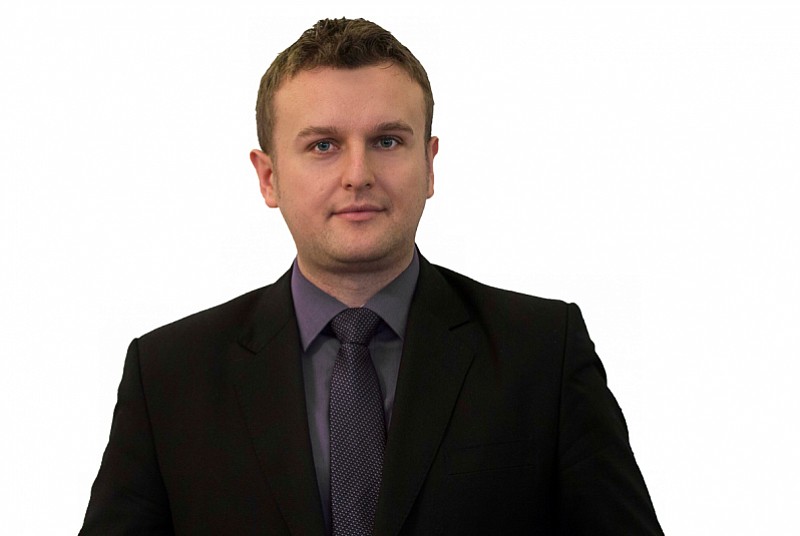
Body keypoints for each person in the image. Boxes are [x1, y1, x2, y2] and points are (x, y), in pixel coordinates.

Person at [80, 18, 663, 535]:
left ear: (429, 165)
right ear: (268, 177)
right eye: (323, 145)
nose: (358, 174)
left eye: (387, 141)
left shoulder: (542, 352)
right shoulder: (167, 375)